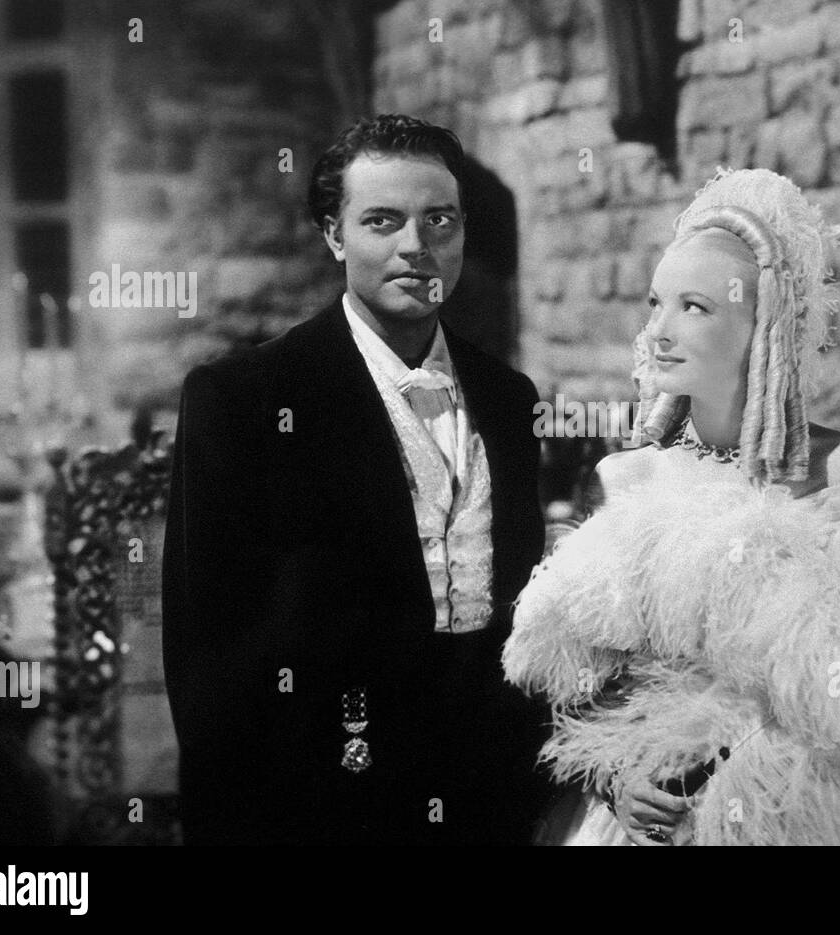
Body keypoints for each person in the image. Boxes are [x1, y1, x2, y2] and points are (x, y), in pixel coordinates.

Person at [503, 168, 840, 846]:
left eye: (693, 306)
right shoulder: (628, 474)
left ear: (764, 326)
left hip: (808, 795)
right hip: (659, 806)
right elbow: (584, 682)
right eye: (655, 303)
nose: (659, 331)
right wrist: (616, 777)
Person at [162, 115, 548, 844]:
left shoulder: (507, 396)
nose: (416, 245)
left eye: (439, 219)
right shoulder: (243, 399)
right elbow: (208, 660)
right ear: (335, 236)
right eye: (382, 221)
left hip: (489, 796)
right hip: (322, 801)